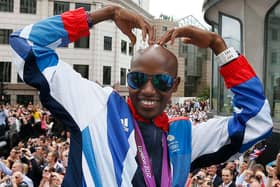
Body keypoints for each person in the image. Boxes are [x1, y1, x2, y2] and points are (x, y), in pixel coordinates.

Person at [9, 4, 272, 187]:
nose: (148, 90)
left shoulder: (183, 137)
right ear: (127, 80)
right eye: (137, 79)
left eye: (161, 81)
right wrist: (106, 14)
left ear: (175, 85)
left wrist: (220, 46)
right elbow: (25, 43)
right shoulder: (98, 107)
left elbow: (257, 120)